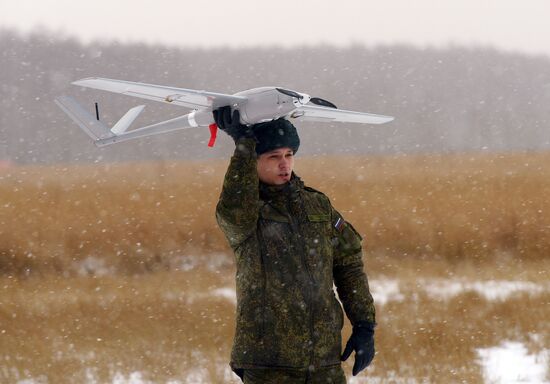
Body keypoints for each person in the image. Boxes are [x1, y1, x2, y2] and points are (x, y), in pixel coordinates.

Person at [213, 106, 376, 384]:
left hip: (324, 359)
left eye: (289, 155)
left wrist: (364, 325)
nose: (284, 164)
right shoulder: (249, 216)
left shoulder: (318, 205)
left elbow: (348, 262)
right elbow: (234, 210)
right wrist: (243, 146)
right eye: (273, 156)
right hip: (269, 363)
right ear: (253, 162)